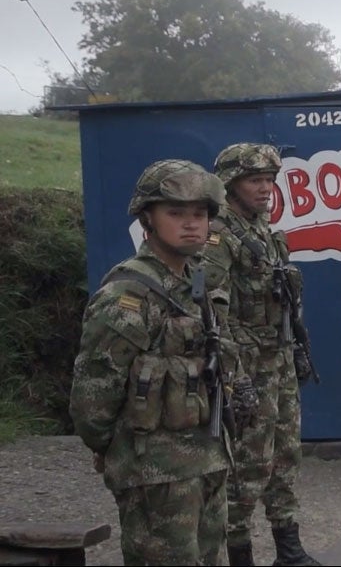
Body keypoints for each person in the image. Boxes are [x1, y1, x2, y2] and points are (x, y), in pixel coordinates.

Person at [70, 159, 243, 565]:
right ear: (147, 218)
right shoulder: (128, 295)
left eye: (199, 214)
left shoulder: (195, 284)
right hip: (157, 476)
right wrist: (115, 451)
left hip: (208, 460)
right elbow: (92, 400)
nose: (191, 224)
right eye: (176, 213)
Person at [203, 143, 321, 567]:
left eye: (270, 180)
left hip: (279, 359)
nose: (266, 188)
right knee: (248, 465)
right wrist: (236, 377)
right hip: (247, 369)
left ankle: (288, 546)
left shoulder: (263, 230)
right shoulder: (219, 235)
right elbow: (213, 315)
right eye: (256, 180)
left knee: (287, 454)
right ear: (231, 183)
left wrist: (297, 350)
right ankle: (239, 552)